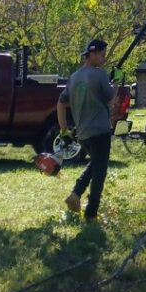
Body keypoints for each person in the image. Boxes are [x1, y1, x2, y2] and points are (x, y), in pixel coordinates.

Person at [57, 38, 116, 221]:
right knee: (100, 171)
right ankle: (91, 213)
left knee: (96, 163)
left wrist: (64, 129)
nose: (104, 59)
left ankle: (75, 195)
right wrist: (117, 82)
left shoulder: (74, 78)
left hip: (82, 133)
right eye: (102, 55)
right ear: (92, 54)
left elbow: (60, 103)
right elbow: (111, 100)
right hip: (100, 130)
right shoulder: (100, 75)